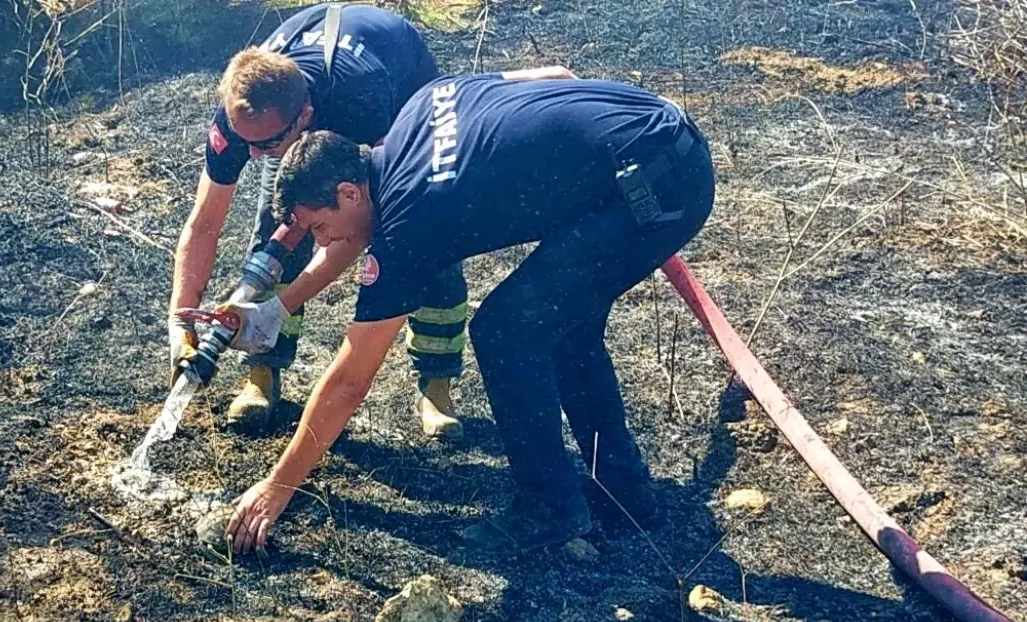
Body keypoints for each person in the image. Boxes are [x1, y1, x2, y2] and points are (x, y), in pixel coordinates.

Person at [220, 69, 718, 554]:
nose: (327, 243)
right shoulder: (420, 107)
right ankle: (623, 493)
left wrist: (277, 486)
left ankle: (550, 507)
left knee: (507, 331)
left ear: (349, 193)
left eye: (321, 228)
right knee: (562, 326)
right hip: (660, 134)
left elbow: (351, 380)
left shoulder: (407, 223)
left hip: (656, 188)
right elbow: (553, 75)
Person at [167, 2, 469, 440]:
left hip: (401, 79)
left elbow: (358, 227)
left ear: (304, 117)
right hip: (312, 90)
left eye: (265, 144)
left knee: (424, 229)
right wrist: (180, 320)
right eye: (245, 143)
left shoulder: (361, 99)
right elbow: (204, 224)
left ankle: (436, 383)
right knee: (274, 224)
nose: (252, 155)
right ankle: (262, 373)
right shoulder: (246, 119)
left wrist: (277, 308)